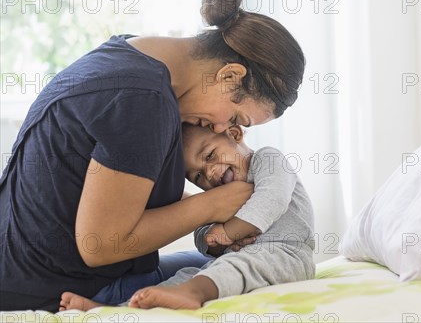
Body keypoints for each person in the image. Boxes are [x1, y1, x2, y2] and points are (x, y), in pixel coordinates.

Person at [0, 0, 306, 311]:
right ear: (229, 76)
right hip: (50, 289)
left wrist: (222, 217)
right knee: (241, 277)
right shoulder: (144, 101)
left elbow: (115, 196)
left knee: (216, 267)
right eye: (235, 118)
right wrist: (212, 206)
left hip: (17, 270)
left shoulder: (128, 54)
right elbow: (101, 244)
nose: (222, 129)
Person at [59, 123, 315, 311]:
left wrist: (229, 231)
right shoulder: (220, 196)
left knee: (236, 266)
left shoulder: (266, 159)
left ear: (235, 134)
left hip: (287, 253)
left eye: (210, 155)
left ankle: (192, 294)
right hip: (240, 257)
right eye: (197, 177)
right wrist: (216, 241)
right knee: (188, 274)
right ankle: (117, 311)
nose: (210, 173)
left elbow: (273, 198)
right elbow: (204, 235)